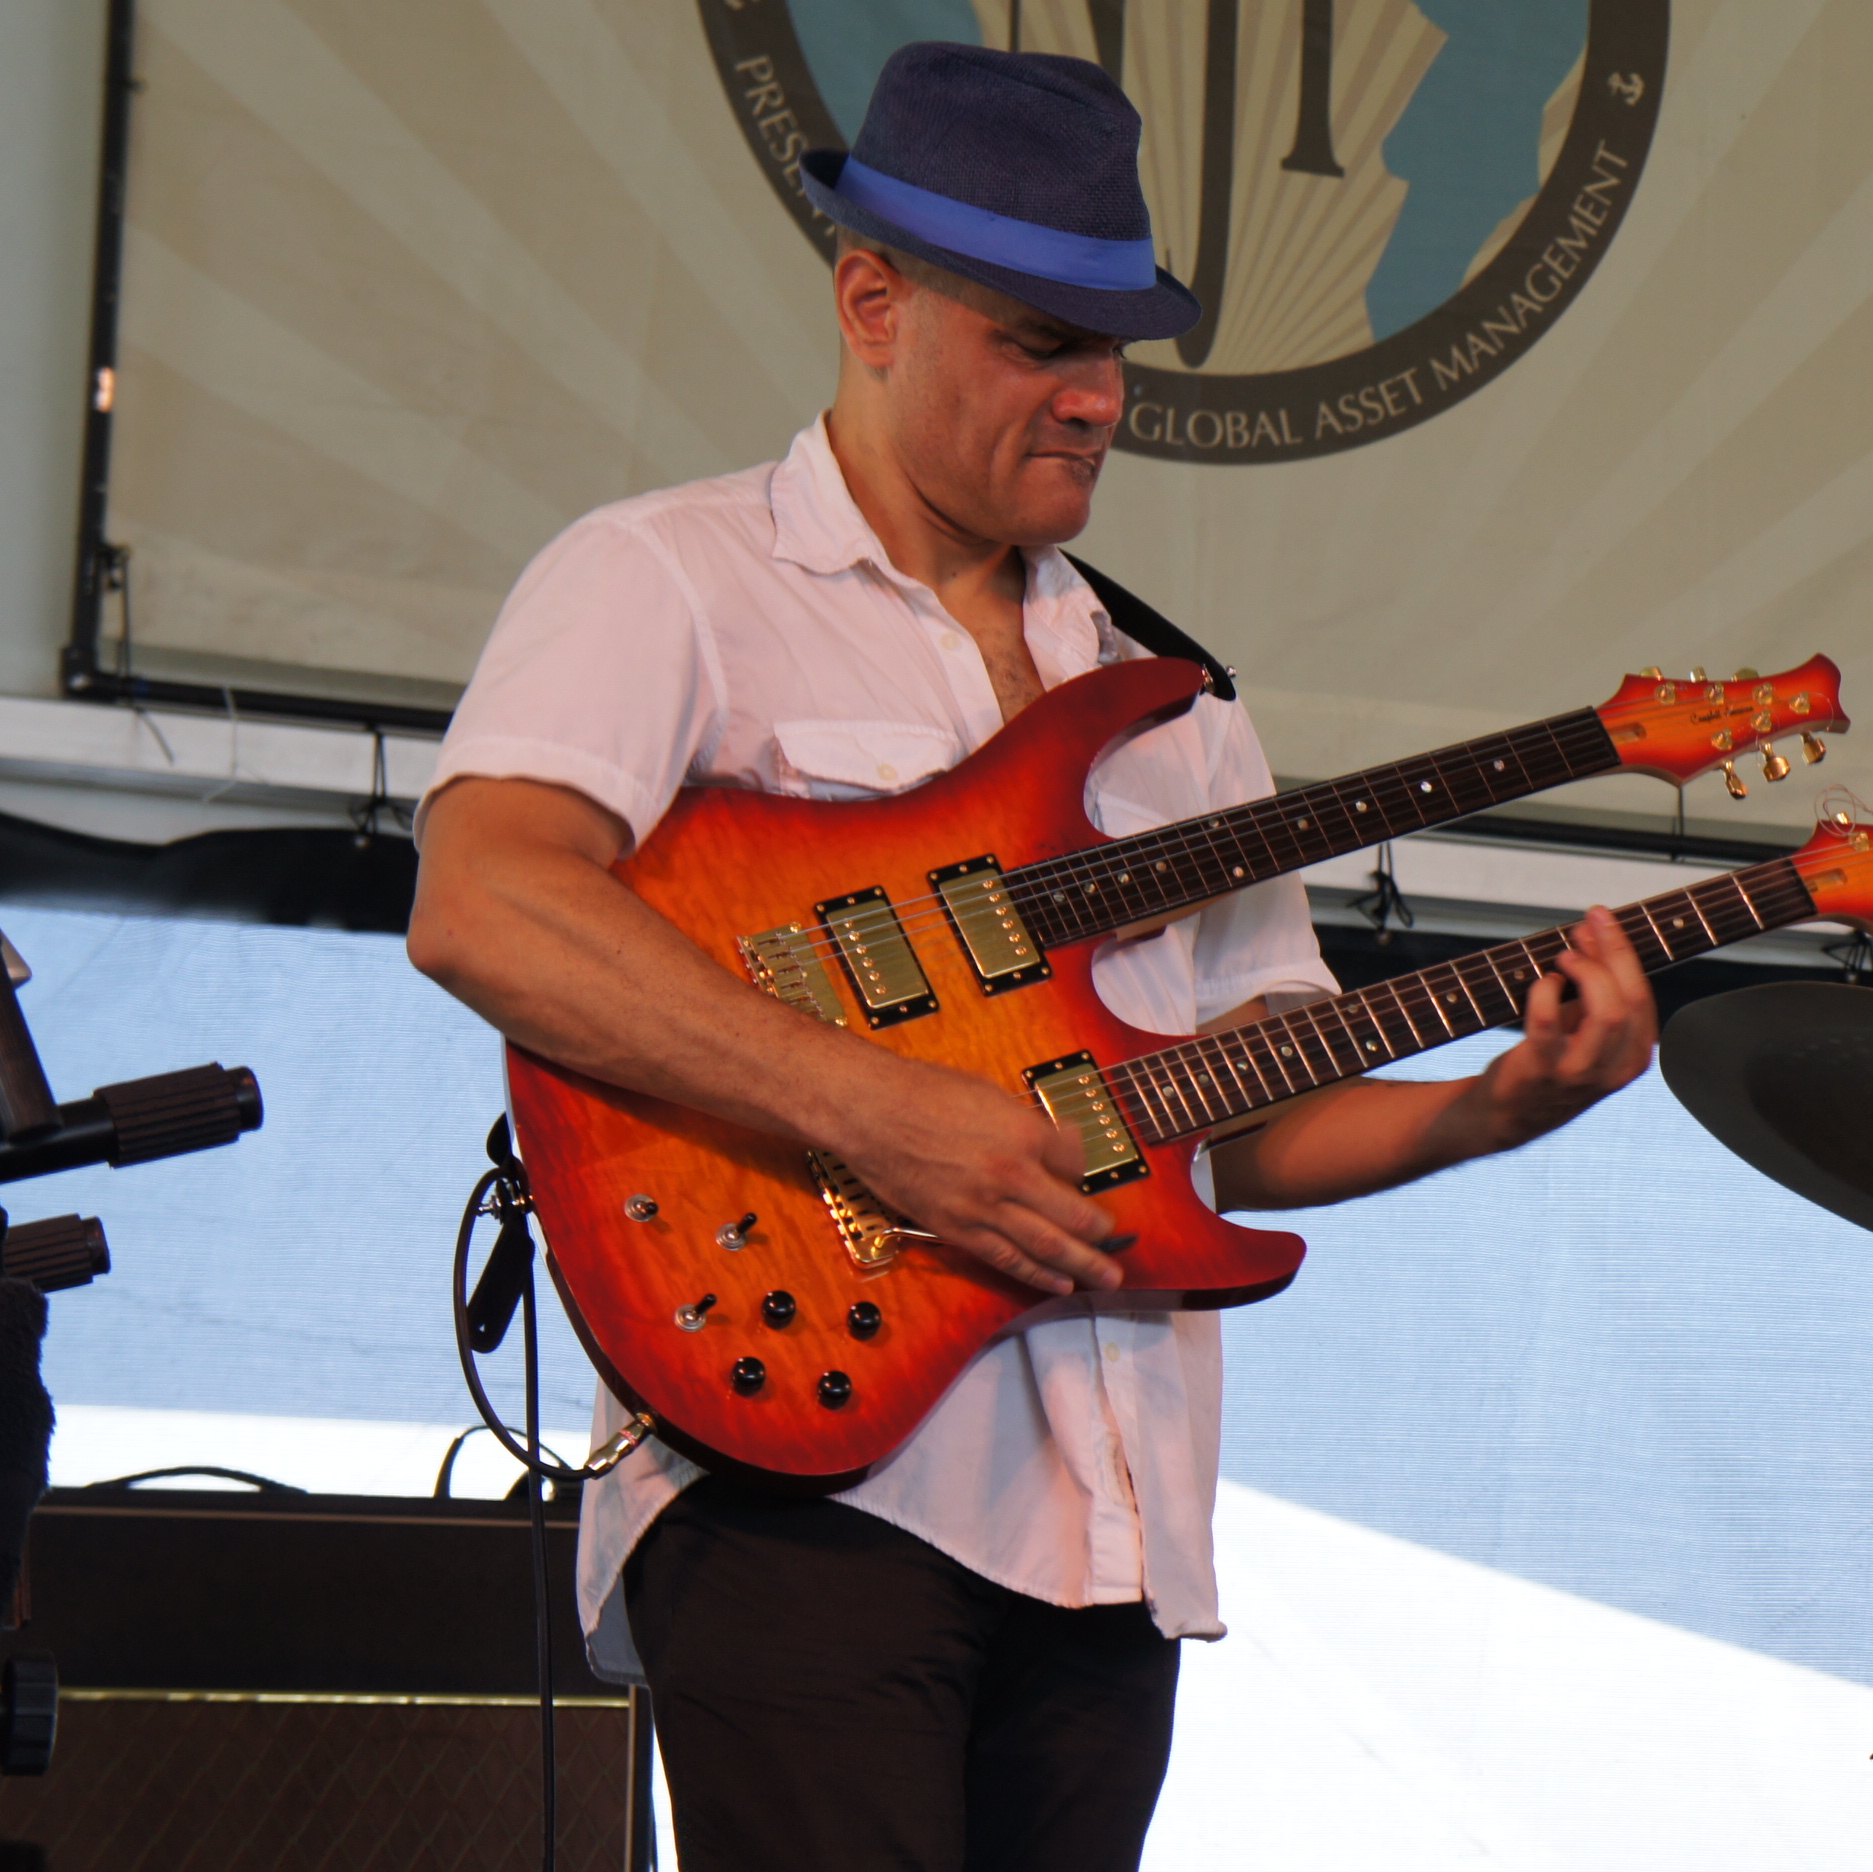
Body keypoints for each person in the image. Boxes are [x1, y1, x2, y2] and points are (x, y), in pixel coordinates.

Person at [404, 45, 1653, 1871]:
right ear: (871, 301)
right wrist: (882, 1115)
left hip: (1109, 1522)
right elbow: (485, 902)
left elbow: (1237, 1120)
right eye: (1040, 344)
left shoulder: (1169, 715)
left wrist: (1505, 1101)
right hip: (801, 1457)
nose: (1094, 398)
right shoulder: (665, 579)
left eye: (1112, 348)